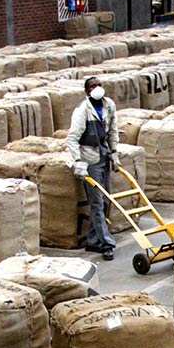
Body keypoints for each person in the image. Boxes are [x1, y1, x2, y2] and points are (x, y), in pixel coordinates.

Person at [66, 76, 118, 260]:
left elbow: (113, 130)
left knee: (104, 200)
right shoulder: (82, 111)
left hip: (104, 154)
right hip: (90, 158)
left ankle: (93, 241)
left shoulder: (108, 105)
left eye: (99, 85)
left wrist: (114, 152)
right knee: (96, 201)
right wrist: (78, 161)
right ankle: (106, 244)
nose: (97, 88)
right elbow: (72, 138)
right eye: (93, 86)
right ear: (87, 91)